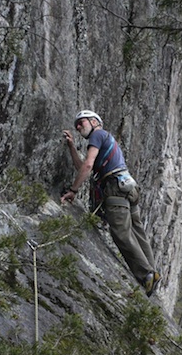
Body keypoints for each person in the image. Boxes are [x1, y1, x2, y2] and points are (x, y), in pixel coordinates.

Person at [60, 110, 161, 297]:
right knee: (137, 232)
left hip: (115, 188)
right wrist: (72, 146)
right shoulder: (106, 139)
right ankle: (151, 272)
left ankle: (146, 274)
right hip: (129, 187)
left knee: (120, 233)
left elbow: (88, 166)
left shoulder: (98, 135)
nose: (79, 127)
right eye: (77, 125)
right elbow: (83, 167)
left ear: (93, 121)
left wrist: (73, 190)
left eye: (81, 123)